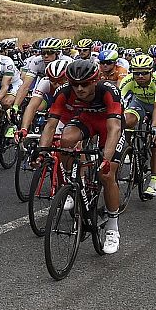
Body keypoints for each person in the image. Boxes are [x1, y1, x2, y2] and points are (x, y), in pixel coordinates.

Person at [39, 57, 125, 254]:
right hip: (87, 120)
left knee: (106, 175)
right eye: (75, 84)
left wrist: (106, 159)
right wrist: (42, 152)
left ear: (95, 81)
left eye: (85, 84)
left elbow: (114, 129)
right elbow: (51, 125)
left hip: (110, 125)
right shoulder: (64, 92)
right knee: (66, 139)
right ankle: (71, 182)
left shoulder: (109, 91)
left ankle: (113, 227)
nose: (79, 89)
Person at [117, 53, 156, 198]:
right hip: (139, 102)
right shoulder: (128, 80)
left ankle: (153, 182)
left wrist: (155, 129)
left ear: (151, 71)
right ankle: (127, 146)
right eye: (136, 72)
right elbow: (118, 103)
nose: (140, 76)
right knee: (127, 121)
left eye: (144, 73)